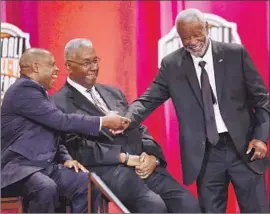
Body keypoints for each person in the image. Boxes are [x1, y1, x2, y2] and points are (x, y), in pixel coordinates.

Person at [125, 8, 270, 213]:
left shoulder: (235, 54)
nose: (192, 42)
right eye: (186, 37)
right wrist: (126, 119)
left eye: (196, 34)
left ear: (207, 28)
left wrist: (261, 137)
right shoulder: (172, 65)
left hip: (245, 149)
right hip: (206, 156)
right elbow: (148, 99)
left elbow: (262, 100)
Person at [52, 38, 200, 213]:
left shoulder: (113, 93)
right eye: (86, 63)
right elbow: (76, 147)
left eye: (95, 61)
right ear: (68, 66)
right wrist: (124, 157)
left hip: (143, 164)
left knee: (188, 204)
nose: (93, 67)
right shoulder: (58, 103)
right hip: (109, 169)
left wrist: (152, 157)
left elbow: (138, 128)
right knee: (154, 206)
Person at [1, 48, 130, 213]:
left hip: (45, 167)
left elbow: (56, 135)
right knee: (45, 187)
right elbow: (61, 121)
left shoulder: (43, 96)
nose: (57, 69)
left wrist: (67, 159)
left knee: (86, 183)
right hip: (20, 169)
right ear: (35, 67)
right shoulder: (23, 90)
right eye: (52, 65)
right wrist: (103, 121)